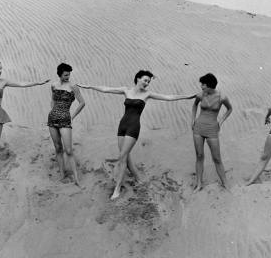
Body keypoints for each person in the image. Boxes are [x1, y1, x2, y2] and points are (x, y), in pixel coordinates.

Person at [78, 70, 195, 199]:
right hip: (122, 126)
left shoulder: (147, 94)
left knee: (122, 156)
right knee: (126, 156)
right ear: (138, 79)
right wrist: (90, 86)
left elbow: (168, 97)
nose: (147, 83)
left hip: (133, 127)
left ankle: (117, 188)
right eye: (145, 80)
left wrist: (187, 97)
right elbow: (106, 89)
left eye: (148, 82)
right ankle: (138, 178)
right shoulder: (126, 90)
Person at [191, 73, 232, 192]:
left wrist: (221, 121)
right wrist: (192, 120)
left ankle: (225, 183)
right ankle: (199, 183)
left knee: (217, 158)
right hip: (198, 128)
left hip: (212, 128)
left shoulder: (222, 97)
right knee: (199, 156)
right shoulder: (200, 95)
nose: (201, 86)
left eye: (203, 84)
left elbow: (230, 109)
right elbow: (194, 106)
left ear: (209, 85)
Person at [47, 63, 86, 186]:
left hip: (65, 119)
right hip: (52, 119)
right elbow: (53, 100)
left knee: (68, 150)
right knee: (58, 148)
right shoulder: (53, 85)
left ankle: (76, 179)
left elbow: (82, 103)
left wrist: (72, 116)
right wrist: (52, 110)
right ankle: (62, 175)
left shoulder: (73, 87)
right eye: (65, 75)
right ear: (59, 74)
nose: (67, 77)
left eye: (69, 74)